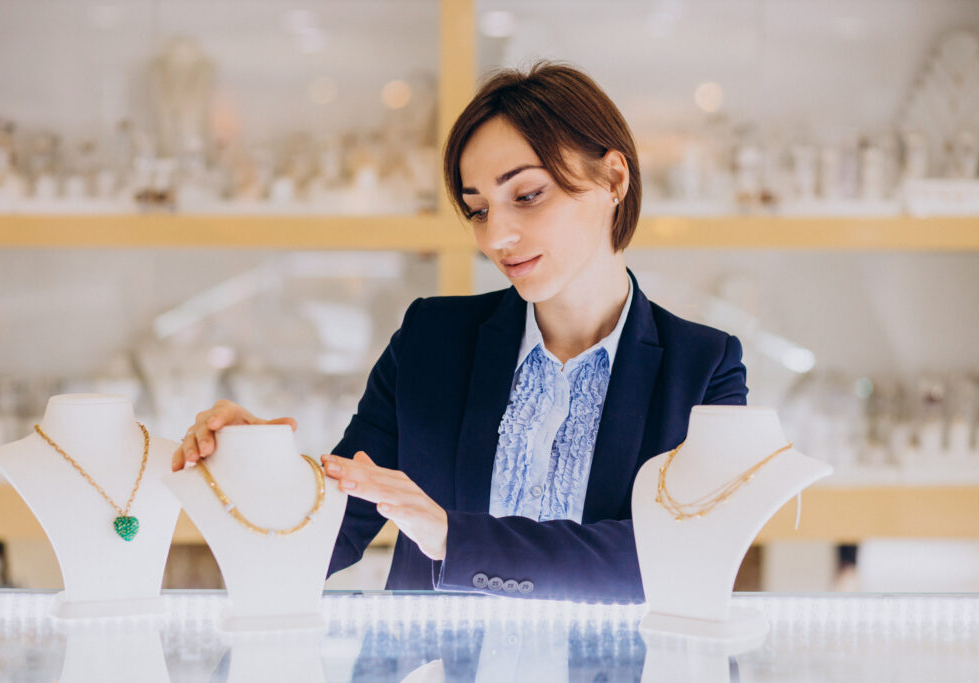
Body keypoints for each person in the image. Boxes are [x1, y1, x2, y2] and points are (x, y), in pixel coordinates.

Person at [172, 62, 748, 602]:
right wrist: (251, 462)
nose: (497, 236)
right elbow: (327, 532)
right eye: (478, 209)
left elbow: (680, 561)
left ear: (613, 177)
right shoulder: (432, 340)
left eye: (526, 195)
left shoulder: (704, 367)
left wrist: (452, 537)